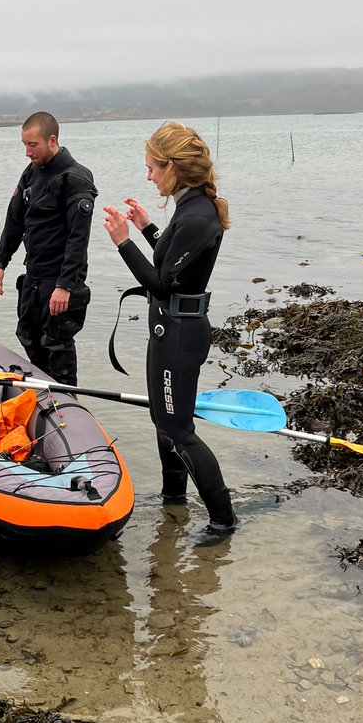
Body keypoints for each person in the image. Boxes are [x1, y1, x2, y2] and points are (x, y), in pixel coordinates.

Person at [102, 122, 237, 536]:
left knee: (178, 429)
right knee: (164, 423)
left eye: (151, 168)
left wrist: (124, 242)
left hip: (180, 335)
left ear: (172, 167)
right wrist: (145, 227)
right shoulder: (189, 207)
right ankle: (174, 501)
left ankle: (222, 521)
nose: (148, 176)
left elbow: (160, 282)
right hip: (169, 329)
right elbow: (172, 259)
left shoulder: (197, 215)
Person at [0, 111, 96, 384]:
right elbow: (14, 218)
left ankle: (68, 403)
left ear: (52, 140)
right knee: (27, 335)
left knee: (56, 344)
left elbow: (78, 238)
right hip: (33, 275)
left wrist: (66, 285)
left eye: (32, 145)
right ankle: (41, 392)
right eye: (24, 144)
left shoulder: (76, 179)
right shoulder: (32, 172)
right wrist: (0, 262)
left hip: (59, 278)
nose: (27, 152)